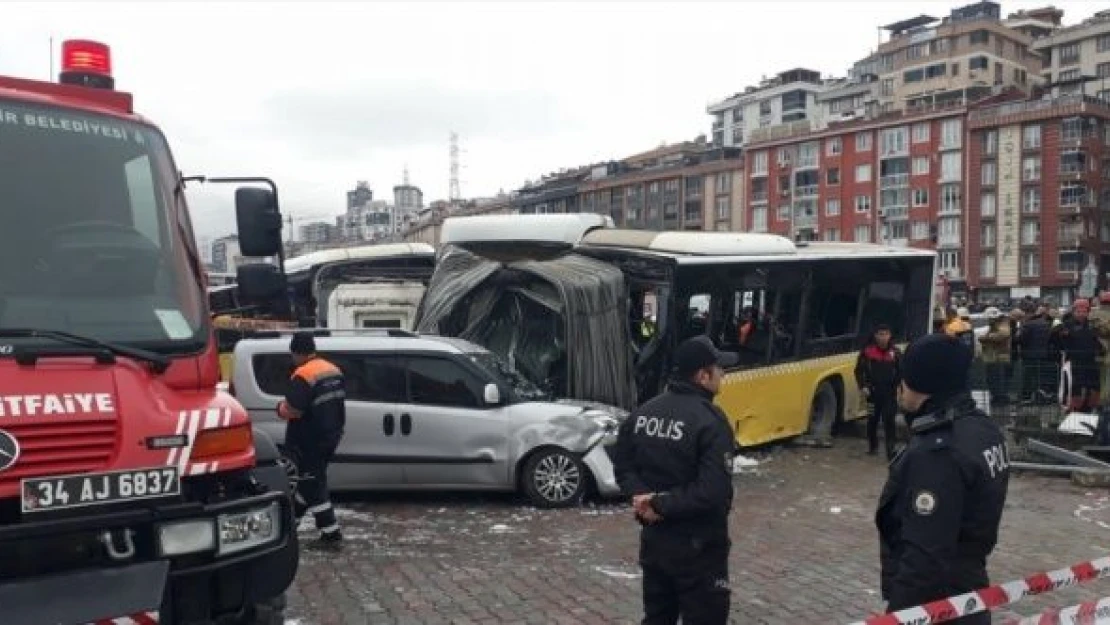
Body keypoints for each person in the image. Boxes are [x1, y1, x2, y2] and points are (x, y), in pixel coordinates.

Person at [875, 334, 1010, 624]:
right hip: (970, 594)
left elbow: (926, 558)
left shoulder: (938, 454)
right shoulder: (981, 428)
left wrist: (898, 617)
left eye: (904, 379)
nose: (899, 388)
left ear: (923, 384)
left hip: (938, 608)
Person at [612, 335, 737, 625]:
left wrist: (644, 499)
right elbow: (712, 491)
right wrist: (658, 503)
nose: (723, 375)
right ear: (703, 376)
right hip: (699, 548)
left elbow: (623, 467)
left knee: (657, 618)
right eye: (719, 369)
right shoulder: (710, 421)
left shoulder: (643, 413)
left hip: (655, 542)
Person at [276, 331, 347, 549]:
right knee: (308, 480)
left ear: (296, 353)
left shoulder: (303, 375)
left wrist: (279, 409)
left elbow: (294, 410)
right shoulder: (332, 370)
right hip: (331, 435)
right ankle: (291, 527)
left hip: (309, 438)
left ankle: (331, 533)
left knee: (311, 483)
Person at [854, 324, 902, 459]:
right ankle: (873, 446)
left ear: (890, 335)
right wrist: (863, 386)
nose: (883, 337)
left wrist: (899, 388)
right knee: (872, 420)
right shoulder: (867, 352)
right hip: (872, 393)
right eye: (880, 334)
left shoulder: (895, 353)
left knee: (889, 421)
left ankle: (890, 450)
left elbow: (901, 372)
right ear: (875, 336)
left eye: (885, 334)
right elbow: (858, 371)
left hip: (889, 393)